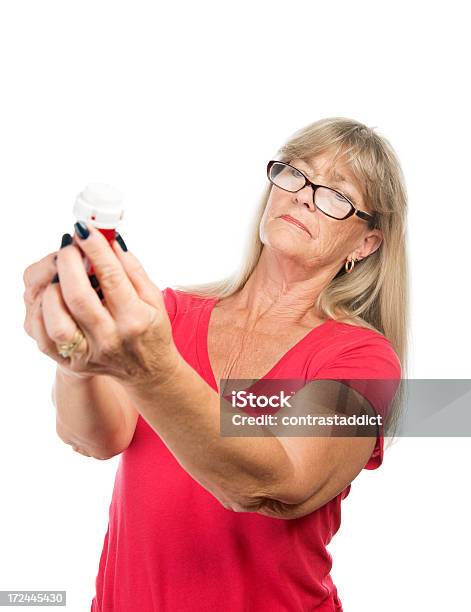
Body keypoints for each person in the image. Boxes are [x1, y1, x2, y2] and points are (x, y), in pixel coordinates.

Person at [22, 116, 408, 611]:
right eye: (297, 173)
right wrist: (76, 358)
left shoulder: (362, 358)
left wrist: (150, 369)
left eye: (337, 194)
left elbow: (276, 483)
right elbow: (97, 439)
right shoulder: (171, 314)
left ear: (365, 244)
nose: (305, 195)